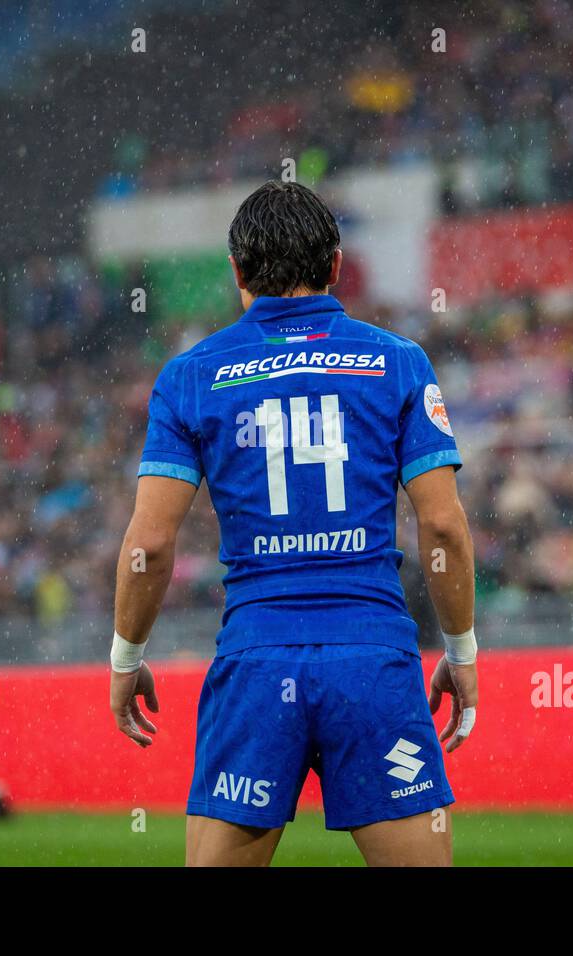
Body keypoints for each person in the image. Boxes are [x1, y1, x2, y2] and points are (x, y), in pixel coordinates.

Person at [109, 181, 479, 866]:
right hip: (372, 659)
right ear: (336, 265)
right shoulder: (398, 362)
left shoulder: (191, 376)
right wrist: (460, 652)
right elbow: (445, 530)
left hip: (256, 659)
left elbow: (151, 544)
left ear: (238, 272)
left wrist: (125, 656)